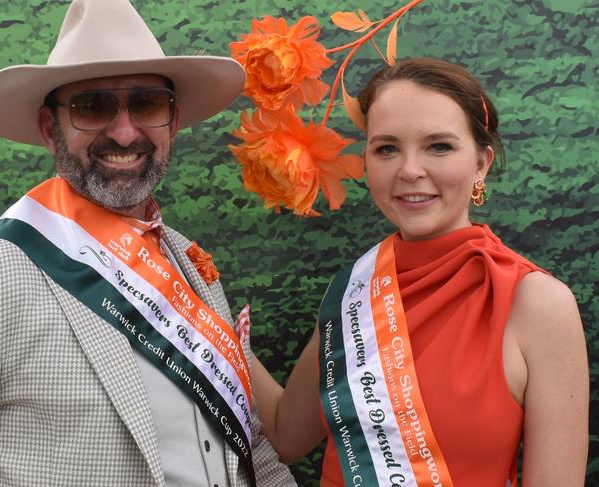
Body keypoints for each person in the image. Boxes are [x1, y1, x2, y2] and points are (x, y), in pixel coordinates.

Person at [0, 0, 297, 486]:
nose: (124, 130)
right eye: (92, 106)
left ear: (173, 123)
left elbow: (250, 450)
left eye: (147, 104)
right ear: (52, 131)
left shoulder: (193, 267)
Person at [252, 58, 589, 486]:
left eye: (439, 146)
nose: (409, 170)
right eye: (387, 148)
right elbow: (286, 434)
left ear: (481, 163)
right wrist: (200, 317)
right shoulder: (351, 292)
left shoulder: (537, 304)